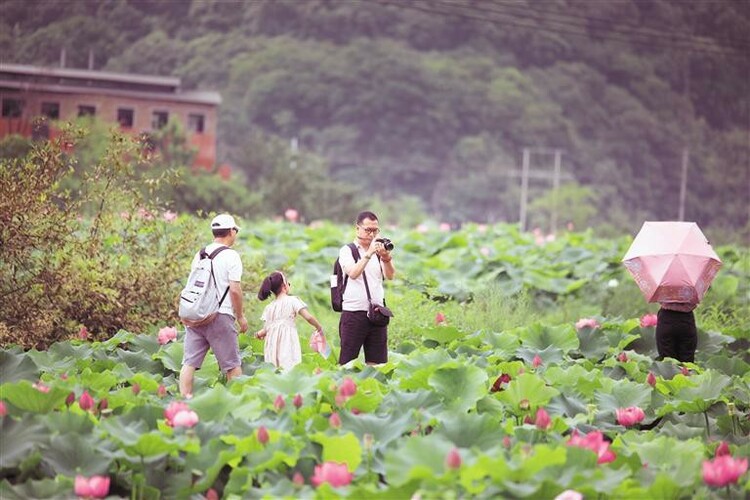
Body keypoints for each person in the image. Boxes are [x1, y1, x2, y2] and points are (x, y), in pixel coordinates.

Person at [179, 214, 248, 397]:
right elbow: (235, 290)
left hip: (196, 315)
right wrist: (240, 316)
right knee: (232, 366)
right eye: (235, 231)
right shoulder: (231, 256)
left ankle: (184, 401)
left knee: (189, 363)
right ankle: (237, 403)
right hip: (220, 315)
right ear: (231, 231)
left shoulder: (200, 253)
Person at [338, 211, 396, 365]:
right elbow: (353, 273)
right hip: (354, 314)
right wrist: (369, 253)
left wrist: (385, 257)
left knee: (378, 365)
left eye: (375, 230)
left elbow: (390, 276)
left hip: (377, 313)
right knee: (347, 364)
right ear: (358, 229)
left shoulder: (379, 252)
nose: (372, 234)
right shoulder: (347, 250)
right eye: (368, 230)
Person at [255, 271, 324, 370]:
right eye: (288, 283)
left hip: (272, 346)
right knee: (289, 368)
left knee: (275, 372)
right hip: (287, 342)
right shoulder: (292, 300)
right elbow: (308, 317)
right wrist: (319, 327)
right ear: (284, 286)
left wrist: (258, 334)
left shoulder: (269, 307)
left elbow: (267, 328)